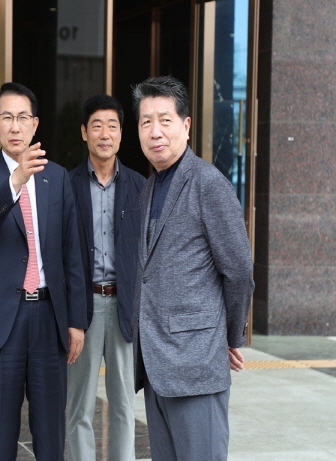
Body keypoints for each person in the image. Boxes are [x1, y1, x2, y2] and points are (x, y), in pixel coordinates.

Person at [0, 82, 87, 460]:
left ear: (35, 124)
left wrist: (76, 321)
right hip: (1, 319)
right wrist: (15, 181)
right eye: (7, 118)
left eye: (23, 117)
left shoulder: (56, 177)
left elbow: (72, 252)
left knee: (51, 431)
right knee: (0, 431)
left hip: (48, 316)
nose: (15, 126)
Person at [130, 75, 254, 461]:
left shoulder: (208, 184)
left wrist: (228, 337)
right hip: (157, 367)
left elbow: (239, 271)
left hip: (196, 366)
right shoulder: (150, 187)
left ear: (185, 125)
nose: (155, 131)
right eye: (146, 121)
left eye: (165, 120)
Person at [66, 94, 145, 461]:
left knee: (123, 404)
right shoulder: (67, 185)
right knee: (78, 405)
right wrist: (72, 318)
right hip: (84, 307)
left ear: (121, 134)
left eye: (112, 126)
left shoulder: (139, 186)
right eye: (96, 126)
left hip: (124, 306)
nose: (104, 133)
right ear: (84, 132)